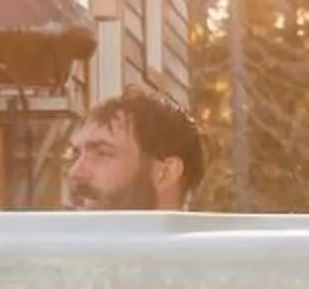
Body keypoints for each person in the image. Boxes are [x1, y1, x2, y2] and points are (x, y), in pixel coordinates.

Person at [62, 89, 205, 211]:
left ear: (165, 173)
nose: (75, 173)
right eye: (74, 155)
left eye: (102, 153)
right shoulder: (52, 242)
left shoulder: (218, 243)